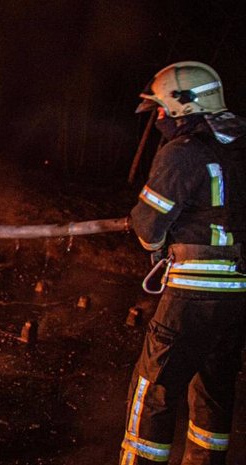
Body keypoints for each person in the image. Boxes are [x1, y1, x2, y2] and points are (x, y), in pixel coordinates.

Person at [121, 61, 246, 465]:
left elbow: (148, 228)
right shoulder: (240, 145)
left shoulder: (184, 152)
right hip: (238, 297)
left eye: (161, 108)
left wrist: (153, 237)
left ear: (184, 104)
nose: (158, 116)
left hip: (194, 292)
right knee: (214, 389)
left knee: (153, 391)